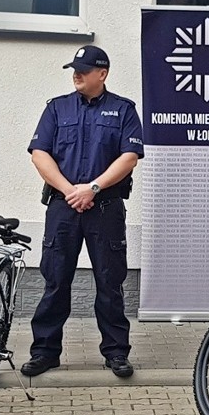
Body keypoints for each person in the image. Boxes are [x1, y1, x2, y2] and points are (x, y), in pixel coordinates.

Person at [21, 45, 144, 379]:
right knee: (56, 281)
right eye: (74, 69)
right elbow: (39, 154)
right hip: (63, 207)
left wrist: (92, 188)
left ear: (102, 74)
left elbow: (129, 157)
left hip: (105, 207)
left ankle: (116, 353)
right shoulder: (57, 109)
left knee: (110, 282)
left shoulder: (123, 110)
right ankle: (45, 352)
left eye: (84, 69)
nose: (76, 74)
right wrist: (69, 190)